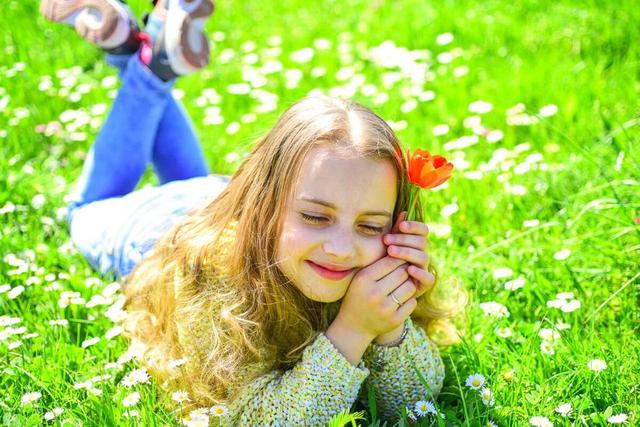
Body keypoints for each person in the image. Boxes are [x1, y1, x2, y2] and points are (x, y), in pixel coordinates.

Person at [42, 0, 467, 424]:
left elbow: (417, 404)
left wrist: (391, 324)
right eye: (316, 217)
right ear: (264, 203)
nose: (340, 248)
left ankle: (144, 56)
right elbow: (263, 419)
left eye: (370, 225)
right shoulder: (213, 285)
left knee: (193, 176)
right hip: (152, 230)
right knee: (83, 211)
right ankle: (145, 68)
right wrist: (353, 330)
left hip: (216, 196)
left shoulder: (369, 263)